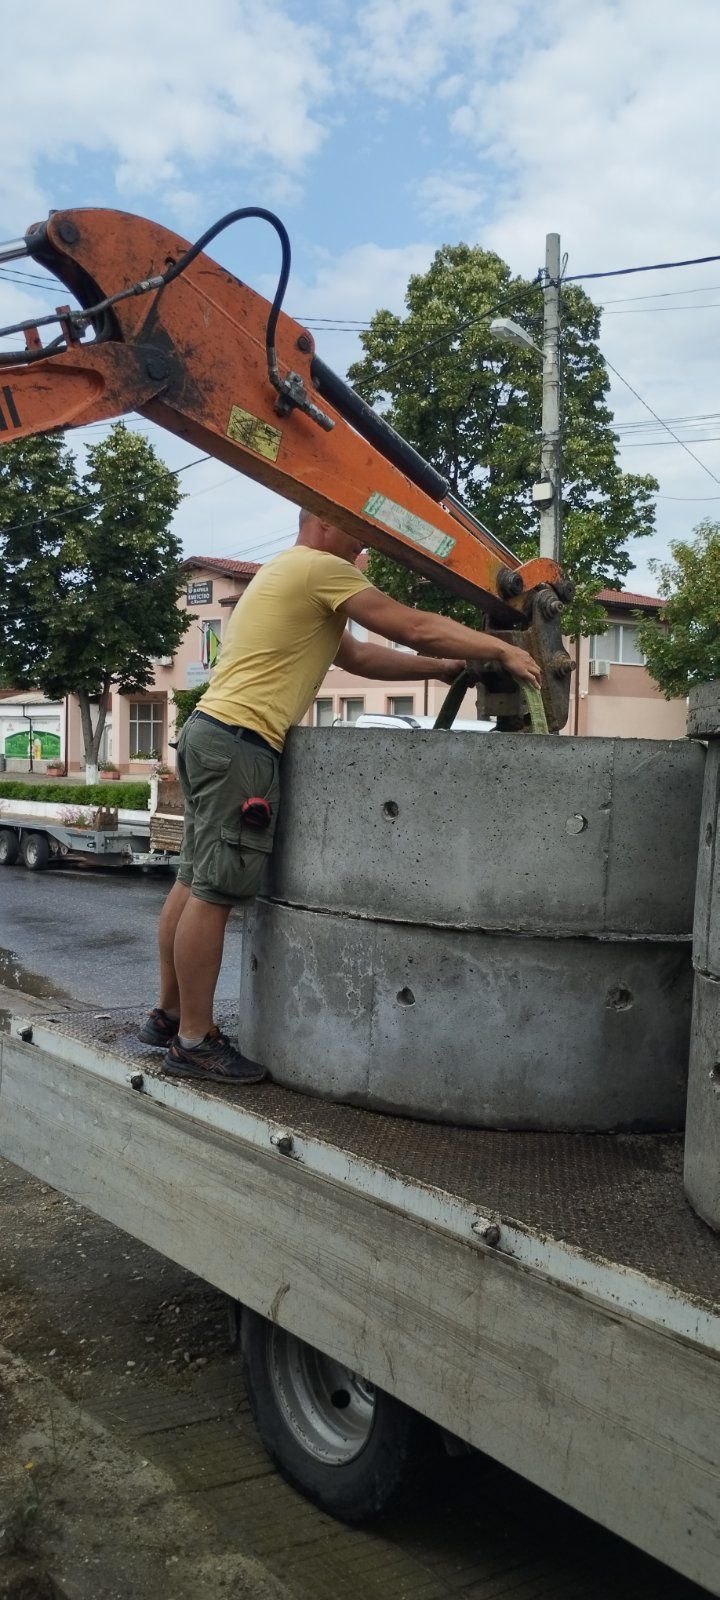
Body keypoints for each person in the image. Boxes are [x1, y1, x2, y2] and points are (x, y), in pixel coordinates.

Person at [138, 508, 542, 1084]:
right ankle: (195, 1040)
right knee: (216, 889)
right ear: (323, 520)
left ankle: (169, 1014)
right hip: (242, 743)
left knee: (193, 878)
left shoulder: (287, 574)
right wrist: (498, 649)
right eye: (357, 528)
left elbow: (359, 657)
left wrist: (447, 666)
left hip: (210, 732)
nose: (365, 544)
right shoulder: (318, 570)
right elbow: (409, 624)